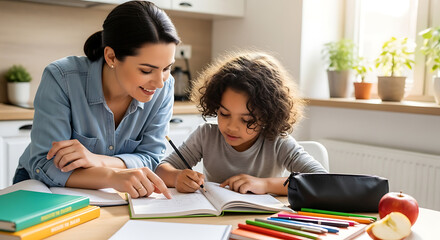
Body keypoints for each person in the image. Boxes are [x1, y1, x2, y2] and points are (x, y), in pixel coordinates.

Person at [13, 1, 180, 199]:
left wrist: (98, 161)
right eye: (146, 70)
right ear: (111, 57)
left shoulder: (164, 87)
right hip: (42, 188)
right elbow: (45, 166)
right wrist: (112, 176)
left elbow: (152, 158)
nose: (160, 83)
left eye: (167, 68)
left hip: (111, 190)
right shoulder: (62, 78)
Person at [156, 51, 328, 195]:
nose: (231, 127)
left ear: (268, 116)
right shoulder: (206, 135)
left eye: (247, 120)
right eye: (224, 113)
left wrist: (266, 185)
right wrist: (177, 177)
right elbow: (161, 169)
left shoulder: (277, 142)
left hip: (264, 222)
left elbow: (321, 180)